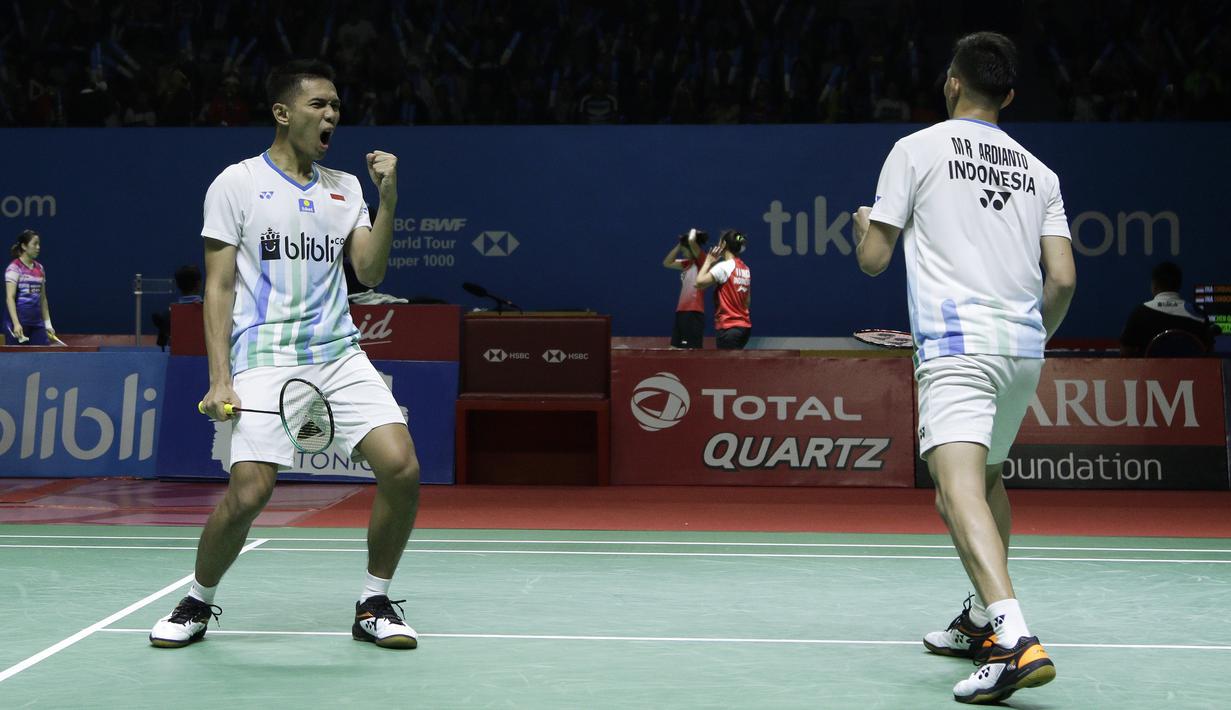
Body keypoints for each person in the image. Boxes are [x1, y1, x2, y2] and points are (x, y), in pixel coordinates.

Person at [149, 60, 421, 651]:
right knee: (250, 491)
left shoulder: (345, 187)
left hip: (337, 351)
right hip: (264, 355)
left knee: (401, 467)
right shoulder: (236, 183)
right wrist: (219, 377)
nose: (331, 116)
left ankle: (374, 600)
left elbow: (369, 271)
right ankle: (197, 600)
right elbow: (218, 287)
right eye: (319, 104)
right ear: (283, 113)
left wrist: (389, 197)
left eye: (336, 108)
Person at [853, 32, 1077, 704]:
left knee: (955, 492)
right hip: (1022, 350)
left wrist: (863, 223)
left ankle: (1013, 640)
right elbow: (1061, 279)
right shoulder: (1041, 172)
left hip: (957, 346)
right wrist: (1030, 335)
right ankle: (979, 621)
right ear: (1006, 95)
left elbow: (872, 259)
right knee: (985, 479)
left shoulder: (913, 150)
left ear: (951, 83)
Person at [1119, 262, 1217, 356]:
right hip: (1190, 373)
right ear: (1179, 285)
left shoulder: (1139, 313)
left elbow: (1125, 353)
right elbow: (1209, 352)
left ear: (1154, 285)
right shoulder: (1198, 314)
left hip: (1151, 373)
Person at [695, 229, 751, 350]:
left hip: (729, 329)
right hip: (744, 328)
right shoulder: (745, 268)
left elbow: (699, 283)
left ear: (724, 245)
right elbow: (747, 301)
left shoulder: (723, 267)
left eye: (719, 242)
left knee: (728, 369)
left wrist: (708, 261)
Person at [4, 229, 60, 346]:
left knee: (42, 360)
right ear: (24, 246)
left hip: (37, 324)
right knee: (16, 362)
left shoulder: (40, 268)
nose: (38, 247)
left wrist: (48, 324)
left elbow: (43, 299)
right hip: (18, 324)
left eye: (39, 244)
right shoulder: (14, 268)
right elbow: (10, 298)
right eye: (35, 244)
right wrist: (16, 323)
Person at [662, 228, 707, 348]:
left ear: (692, 249)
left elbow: (692, 241)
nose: (682, 252)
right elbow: (667, 263)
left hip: (693, 312)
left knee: (691, 350)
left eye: (684, 250)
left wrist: (692, 231)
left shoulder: (702, 261)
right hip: (681, 311)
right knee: (675, 348)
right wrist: (679, 244)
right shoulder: (686, 263)